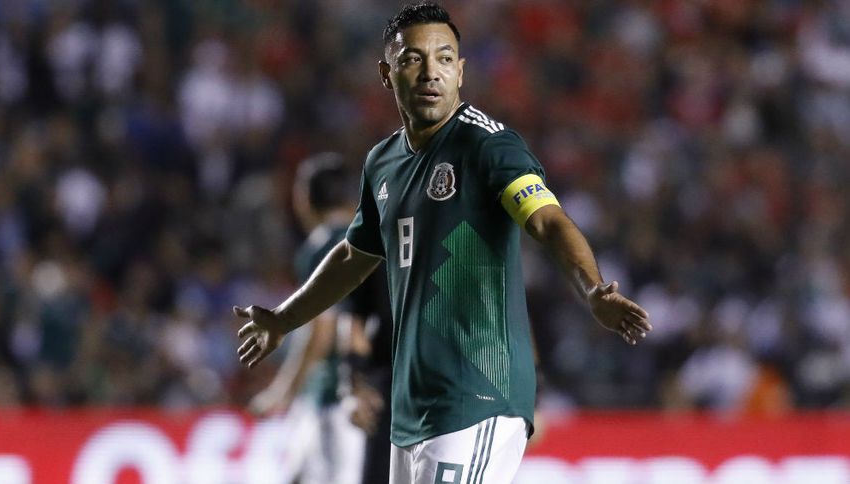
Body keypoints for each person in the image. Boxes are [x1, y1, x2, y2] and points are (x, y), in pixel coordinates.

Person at [233, 3, 652, 483]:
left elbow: (547, 221)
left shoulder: (487, 145)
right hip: (412, 409)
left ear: (461, 71)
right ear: (386, 74)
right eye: (413, 59)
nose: (431, 71)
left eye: (445, 58)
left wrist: (592, 288)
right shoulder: (382, 162)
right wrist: (283, 319)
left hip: (477, 395)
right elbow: (354, 255)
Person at [248, 153, 372, 484]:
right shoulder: (371, 237)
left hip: (335, 395)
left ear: (304, 198)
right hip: (373, 387)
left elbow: (321, 331)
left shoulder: (322, 246)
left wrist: (284, 389)